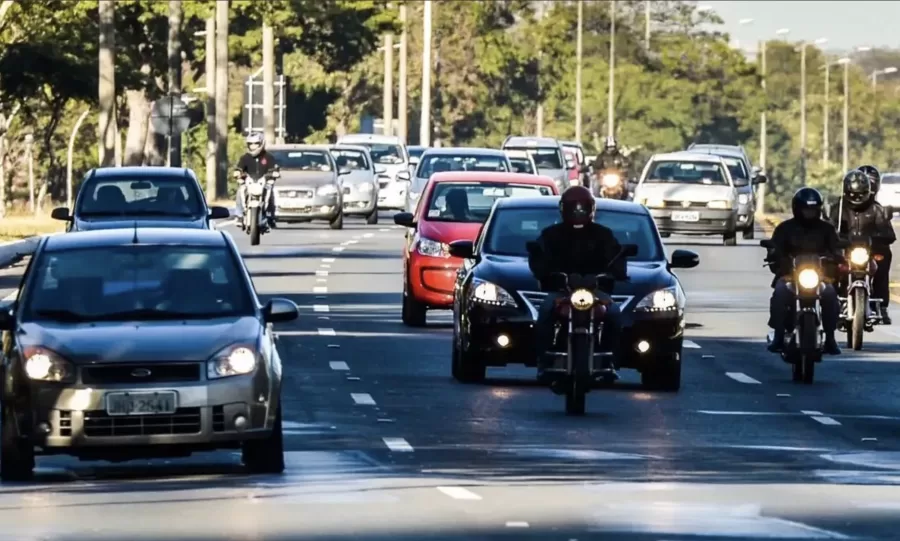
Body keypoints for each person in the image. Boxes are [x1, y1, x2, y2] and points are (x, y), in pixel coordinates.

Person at [527, 185, 627, 379]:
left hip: (595, 292)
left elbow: (617, 259)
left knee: (614, 314)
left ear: (591, 209)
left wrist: (612, 274)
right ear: (563, 208)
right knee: (546, 311)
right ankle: (543, 360)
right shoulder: (550, 235)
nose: (578, 211)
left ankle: (610, 360)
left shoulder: (604, 234)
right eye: (574, 207)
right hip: (562, 291)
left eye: (583, 207)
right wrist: (550, 275)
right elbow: (538, 259)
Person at [767, 187, 843, 355]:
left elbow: (836, 248)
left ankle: (830, 337)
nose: (810, 213)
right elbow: (775, 249)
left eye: (813, 209)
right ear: (797, 209)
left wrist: (837, 257)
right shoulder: (785, 228)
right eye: (806, 209)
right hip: (790, 276)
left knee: (830, 295)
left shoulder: (827, 229)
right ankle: (778, 335)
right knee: (780, 293)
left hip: (819, 277)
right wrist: (775, 256)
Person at [829, 168, 896, 323]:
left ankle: (882, 305)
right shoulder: (838, 208)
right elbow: (829, 227)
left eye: (861, 194)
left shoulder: (876, 209)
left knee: (883, 260)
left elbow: (888, 232)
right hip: (845, 250)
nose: (857, 197)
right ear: (846, 191)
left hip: (868, 251)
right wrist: (835, 238)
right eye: (853, 194)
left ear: (868, 191)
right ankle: (831, 303)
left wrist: (880, 237)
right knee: (829, 266)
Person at [234, 132, 278, 227]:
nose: (253, 146)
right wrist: (238, 172)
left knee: (270, 192)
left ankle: (270, 216)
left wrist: (274, 173)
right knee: (240, 191)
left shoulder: (269, 157)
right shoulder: (245, 158)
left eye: (256, 144)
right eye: (251, 144)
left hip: (264, 182)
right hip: (249, 182)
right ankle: (239, 215)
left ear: (261, 143)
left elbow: (274, 168)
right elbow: (239, 167)